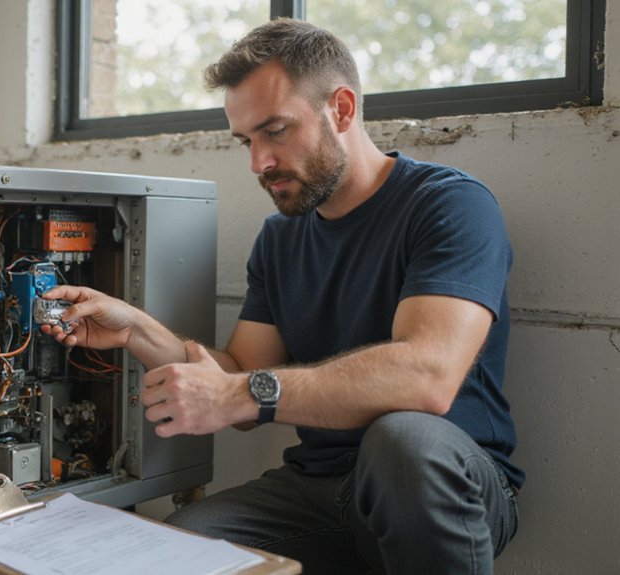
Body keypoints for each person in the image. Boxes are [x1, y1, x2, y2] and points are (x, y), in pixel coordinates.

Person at [42, 17, 522, 575]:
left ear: (341, 109)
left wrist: (243, 394)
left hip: (446, 482)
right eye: (247, 140)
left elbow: (428, 378)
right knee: (174, 549)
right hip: (319, 488)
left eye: (275, 131)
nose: (258, 163)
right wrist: (135, 330)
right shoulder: (281, 237)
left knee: (404, 442)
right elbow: (242, 374)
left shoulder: (450, 205)